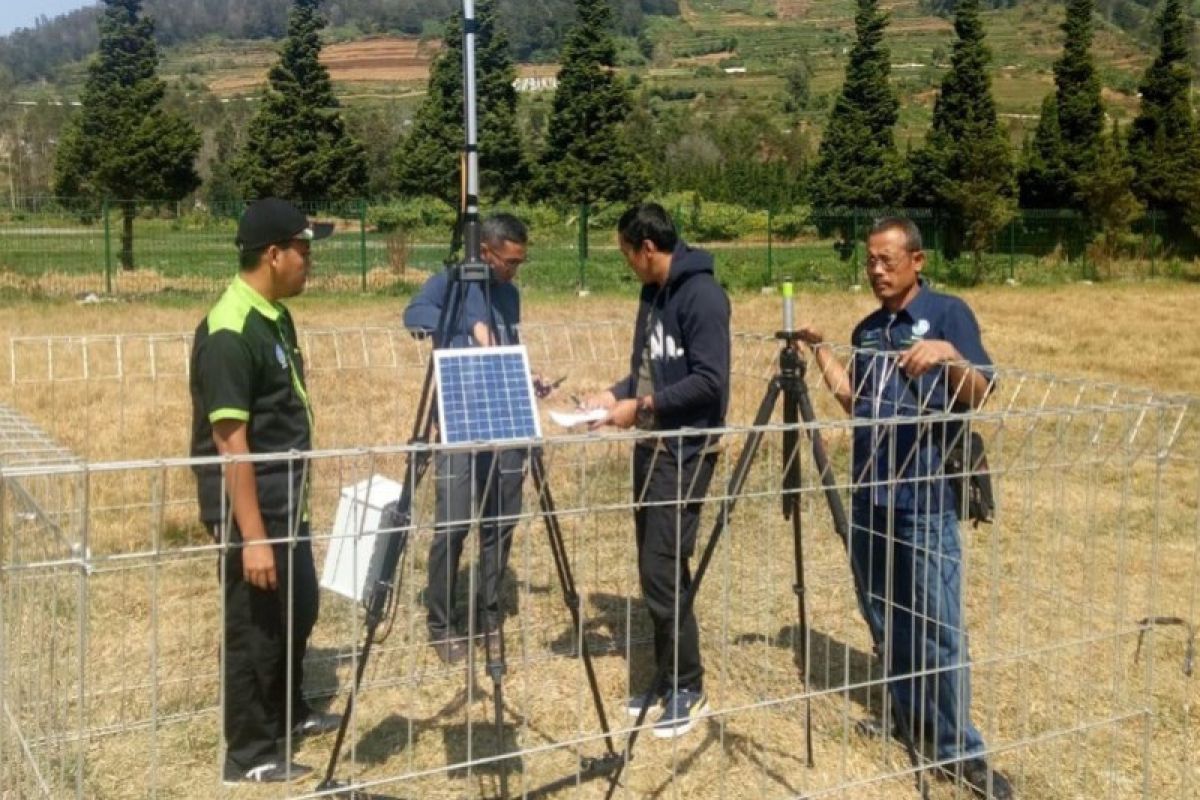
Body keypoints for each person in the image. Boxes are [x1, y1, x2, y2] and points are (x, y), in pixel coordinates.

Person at [797, 217, 1014, 799]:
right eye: (869, 260)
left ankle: (957, 750)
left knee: (938, 625)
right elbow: (856, 403)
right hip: (873, 497)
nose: (875, 270)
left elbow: (982, 392)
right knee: (886, 616)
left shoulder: (948, 314)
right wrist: (820, 350)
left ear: (917, 261)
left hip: (924, 497)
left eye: (887, 260)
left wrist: (946, 355)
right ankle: (910, 715)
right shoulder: (867, 330)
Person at [189, 198, 340, 785]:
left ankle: (289, 713)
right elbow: (233, 445)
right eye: (304, 251)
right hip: (251, 509)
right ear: (273, 254)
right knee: (256, 627)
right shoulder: (230, 331)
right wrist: (252, 537)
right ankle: (249, 753)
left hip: (286, 501)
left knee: (298, 608)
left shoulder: (273, 315)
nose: (309, 262)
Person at [584, 202, 730, 739]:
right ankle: (668, 676)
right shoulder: (652, 295)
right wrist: (615, 394)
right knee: (657, 568)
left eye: (626, 253)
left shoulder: (703, 296)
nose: (626, 263)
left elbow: (710, 381)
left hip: (686, 452)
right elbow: (651, 370)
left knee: (664, 568)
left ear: (647, 248)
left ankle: (688, 688)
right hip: (652, 447)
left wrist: (641, 409)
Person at [403, 213, 531, 664]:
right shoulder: (450, 283)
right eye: (509, 262)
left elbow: (506, 345)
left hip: (505, 424)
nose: (514, 271)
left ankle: (488, 618)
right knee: (453, 526)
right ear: (485, 251)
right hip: (458, 423)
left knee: (499, 524)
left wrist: (526, 379)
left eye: (520, 263)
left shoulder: (510, 296)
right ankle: (441, 624)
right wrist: (465, 329)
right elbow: (414, 316)